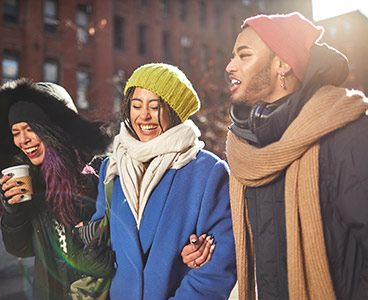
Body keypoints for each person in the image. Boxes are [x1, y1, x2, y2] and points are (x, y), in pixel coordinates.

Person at [223, 12, 368, 300]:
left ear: (283, 65)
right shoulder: (246, 148)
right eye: (232, 57)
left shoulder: (348, 133)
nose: (229, 66)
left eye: (244, 56)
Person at [90, 63, 237, 299]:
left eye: (155, 106)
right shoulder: (112, 166)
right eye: (136, 106)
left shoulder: (208, 172)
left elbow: (218, 266)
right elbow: (102, 242)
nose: (144, 115)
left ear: (175, 111)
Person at [0, 78, 112, 300]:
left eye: (29, 129)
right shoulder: (32, 180)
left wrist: (93, 238)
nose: (22, 140)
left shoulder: (100, 172)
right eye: (15, 132)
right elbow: (21, 249)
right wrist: (14, 212)